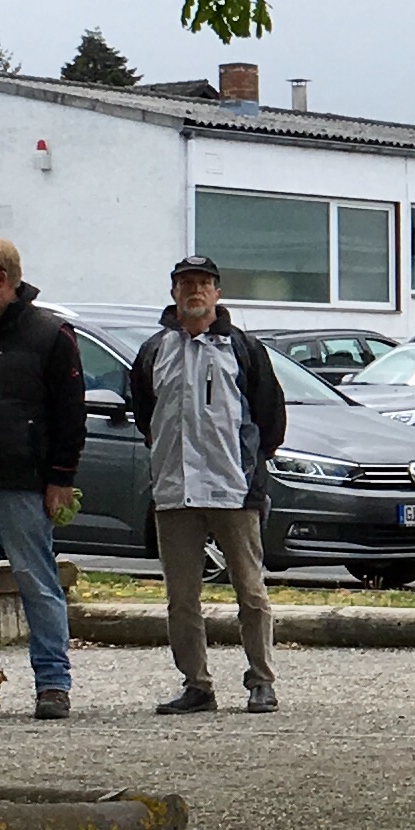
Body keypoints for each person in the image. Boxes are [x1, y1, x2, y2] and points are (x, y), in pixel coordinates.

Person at [128, 252, 286, 715]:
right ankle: (197, 684)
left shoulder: (243, 349)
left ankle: (262, 680)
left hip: (233, 489)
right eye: (186, 283)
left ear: (217, 292)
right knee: (181, 598)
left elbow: (270, 417)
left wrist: (250, 466)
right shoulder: (154, 351)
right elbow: (146, 415)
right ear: (173, 292)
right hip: (175, 491)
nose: (194, 291)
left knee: (251, 592)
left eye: (203, 283)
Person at [0, 239, 88, 719]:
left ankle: (53, 682)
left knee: (37, 580)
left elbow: (71, 414)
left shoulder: (50, 335)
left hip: (23, 479)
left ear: (0, 279)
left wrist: (60, 477)